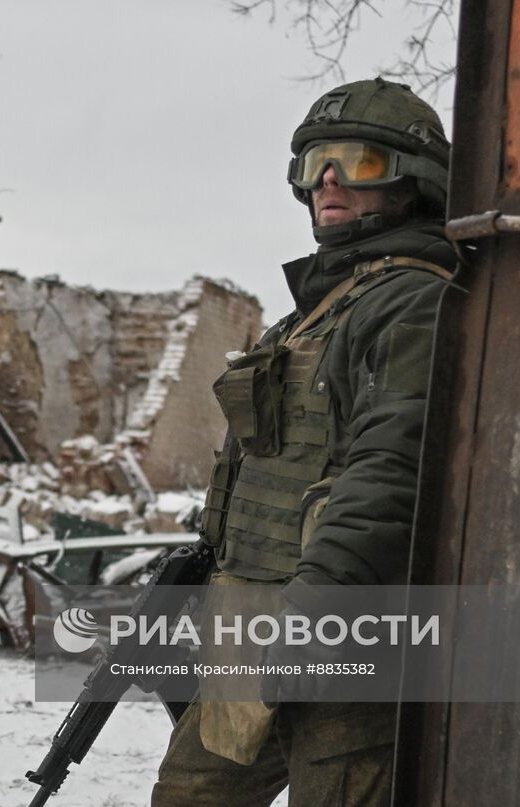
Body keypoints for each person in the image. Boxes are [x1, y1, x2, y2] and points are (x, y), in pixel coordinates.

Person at [151, 77, 455, 806]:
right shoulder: (312, 314)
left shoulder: (413, 300)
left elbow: (390, 472)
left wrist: (311, 615)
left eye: (357, 161)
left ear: (413, 181)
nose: (329, 180)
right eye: (315, 161)